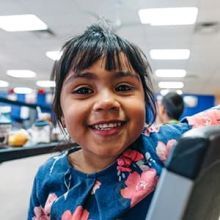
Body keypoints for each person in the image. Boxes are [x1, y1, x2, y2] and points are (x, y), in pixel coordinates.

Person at [28, 24, 220, 220]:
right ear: (61, 113)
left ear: (145, 102)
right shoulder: (48, 177)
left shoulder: (171, 145)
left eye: (123, 87)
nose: (106, 102)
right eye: (84, 90)